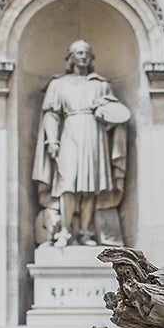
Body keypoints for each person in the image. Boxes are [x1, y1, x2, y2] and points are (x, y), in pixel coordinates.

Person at [35, 40, 130, 247]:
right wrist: (52, 139)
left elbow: (116, 114)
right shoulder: (59, 84)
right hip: (70, 130)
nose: (83, 56)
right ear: (70, 57)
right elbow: (51, 114)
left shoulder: (101, 84)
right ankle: (66, 231)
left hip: (94, 135)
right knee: (67, 183)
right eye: (79, 53)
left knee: (91, 186)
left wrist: (105, 112)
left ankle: (85, 232)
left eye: (87, 53)